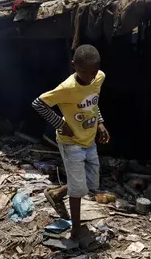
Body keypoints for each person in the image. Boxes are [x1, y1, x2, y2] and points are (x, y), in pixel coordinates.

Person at [32, 44, 111, 242]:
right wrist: (60, 124)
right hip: (70, 142)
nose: (90, 77)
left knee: (91, 183)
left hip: (89, 139)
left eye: (93, 72)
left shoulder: (99, 77)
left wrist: (100, 123)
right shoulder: (67, 88)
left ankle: (57, 194)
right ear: (74, 65)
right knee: (78, 189)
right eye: (84, 72)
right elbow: (38, 104)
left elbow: (93, 101)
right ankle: (75, 228)